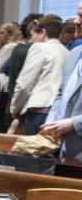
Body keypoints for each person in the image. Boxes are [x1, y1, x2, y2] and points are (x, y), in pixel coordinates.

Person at [10, 14, 69, 135]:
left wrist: (14, 109)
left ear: (43, 32)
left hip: (38, 112)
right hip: (59, 113)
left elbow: (24, 84)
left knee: (32, 152)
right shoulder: (67, 52)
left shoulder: (39, 48)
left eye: (32, 35)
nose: (30, 40)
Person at [41, 30, 82, 158]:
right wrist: (52, 121)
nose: (76, 21)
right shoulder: (75, 53)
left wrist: (73, 123)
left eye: (81, 16)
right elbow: (62, 93)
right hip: (63, 147)